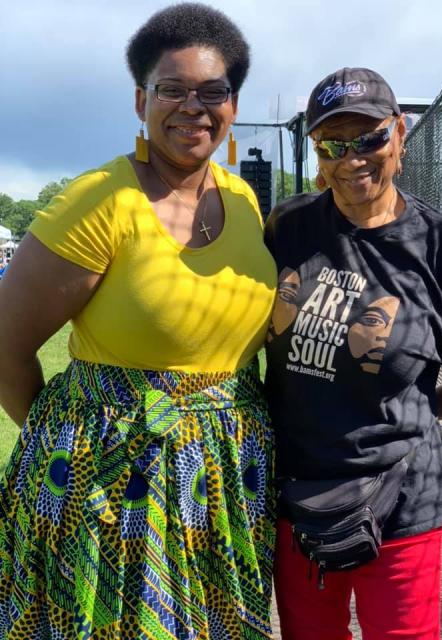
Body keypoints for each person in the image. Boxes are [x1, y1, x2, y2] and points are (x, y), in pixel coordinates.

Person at [0, 4, 277, 638]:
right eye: (171, 89)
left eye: (213, 92)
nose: (193, 107)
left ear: (233, 104)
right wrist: (75, 444)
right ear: (139, 100)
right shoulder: (101, 198)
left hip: (223, 480)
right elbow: (5, 346)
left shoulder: (242, 199)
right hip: (113, 478)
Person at [264, 67, 442, 640]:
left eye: (369, 138)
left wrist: (421, 411)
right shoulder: (288, 227)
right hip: (298, 493)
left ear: (399, 135)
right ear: (316, 152)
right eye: (332, 144)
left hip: (401, 496)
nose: (351, 157)